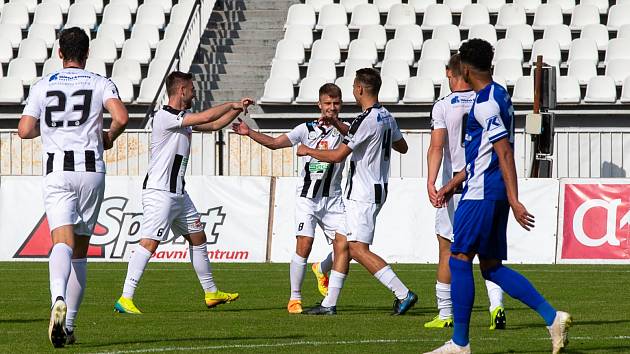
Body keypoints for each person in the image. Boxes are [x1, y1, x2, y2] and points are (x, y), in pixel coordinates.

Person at [425, 39, 571, 354]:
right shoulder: (501, 95)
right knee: (490, 266)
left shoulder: (485, 104)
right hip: (491, 192)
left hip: (480, 194)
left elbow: (503, 153)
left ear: (463, 67)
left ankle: (460, 344)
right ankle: (552, 316)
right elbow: (489, 153)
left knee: (460, 258)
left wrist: (516, 199)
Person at [18, 27, 129, 348]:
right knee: (81, 250)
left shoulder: (43, 85)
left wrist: (50, 128)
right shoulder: (99, 82)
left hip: (57, 171)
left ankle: (57, 299)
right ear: (88, 53)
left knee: (60, 243)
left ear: (59, 53)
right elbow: (121, 117)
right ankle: (68, 326)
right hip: (91, 169)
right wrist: (107, 137)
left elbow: (25, 130)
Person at [113, 71, 252, 315]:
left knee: (198, 238)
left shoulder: (182, 118)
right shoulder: (165, 116)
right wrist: (229, 103)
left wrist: (237, 109)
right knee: (149, 243)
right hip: (160, 192)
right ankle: (125, 298)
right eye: (192, 88)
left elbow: (214, 124)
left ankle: (211, 292)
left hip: (178, 192)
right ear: (181, 91)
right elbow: (207, 116)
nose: (195, 92)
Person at [297, 68, 417, 316]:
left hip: (362, 192)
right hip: (377, 187)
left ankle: (403, 293)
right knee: (341, 243)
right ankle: (329, 304)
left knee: (356, 249)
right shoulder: (385, 116)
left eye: (353, 86)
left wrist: (308, 151)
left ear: (360, 89)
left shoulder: (366, 120)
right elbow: (402, 147)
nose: (353, 90)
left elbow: (338, 155)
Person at [231, 83, 347, 314]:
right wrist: (249, 132)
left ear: (340, 105)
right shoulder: (305, 129)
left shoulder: (347, 129)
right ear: (319, 104)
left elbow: (351, 135)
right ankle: (295, 298)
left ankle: (321, 269)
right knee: (304, 244)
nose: (331, 108)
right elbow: (275, 144)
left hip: (333, 199)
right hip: (307, 199)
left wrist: (335, 124)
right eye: (327, 103)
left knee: (347, 247)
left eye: (335, 104)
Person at [425, 54, 506, 330]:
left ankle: (446, 313)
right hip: (483, 185)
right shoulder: (484, 99)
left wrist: (431, 182)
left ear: (451, 72)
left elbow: (437, 147)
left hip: (455, 189)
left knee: (447, 249)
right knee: (487, 253)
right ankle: (496, 307)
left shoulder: (443, 106)